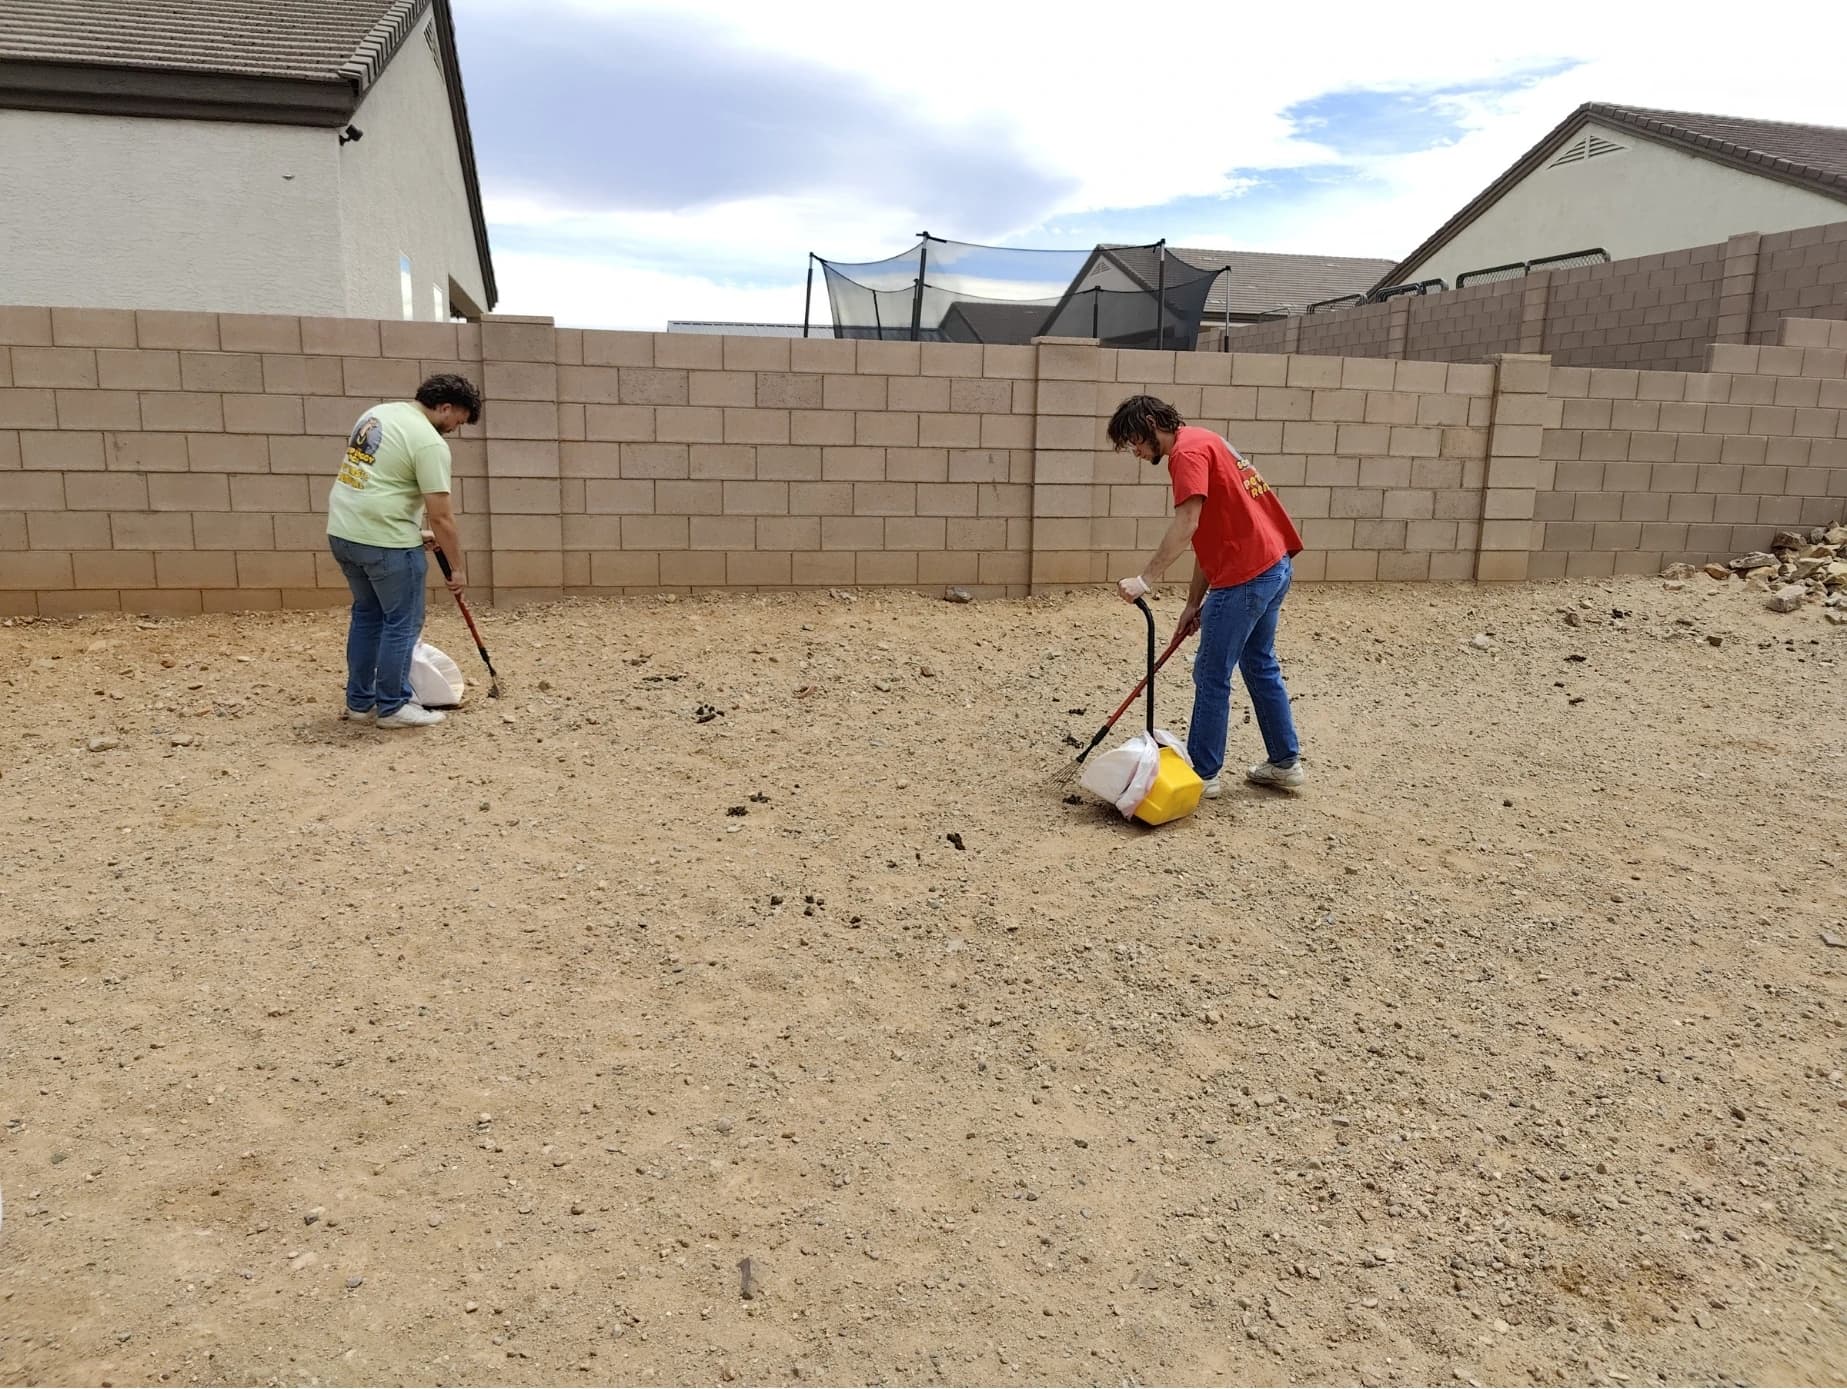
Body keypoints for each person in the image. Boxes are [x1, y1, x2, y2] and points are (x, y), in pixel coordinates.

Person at [1109, 394, 1306, 796]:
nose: (1136, 451)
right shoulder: (1205, 440)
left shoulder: (1186, 454)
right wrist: (1192, 604)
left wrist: (1145, 579)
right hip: (1272, 564)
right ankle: (1285, 763)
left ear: (1150, 422)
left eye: (1136, 440)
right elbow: (1207, 533)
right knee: (1258, 662)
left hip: (1246, 576)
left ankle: (1203, 773)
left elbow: (1186, 523)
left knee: (1211, 673)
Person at [325, 373, 482, 728]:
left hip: (344, 533)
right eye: (458, 420)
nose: (456, 428)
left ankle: (360, 704)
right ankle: (394, 706)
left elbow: (378, 481)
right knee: (401, 624)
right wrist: (457, 568)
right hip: (386, 542)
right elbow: (443, 517)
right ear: (445, 407)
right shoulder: (429, 442)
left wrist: (412, 529)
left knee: (367, 616)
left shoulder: (377, 415)